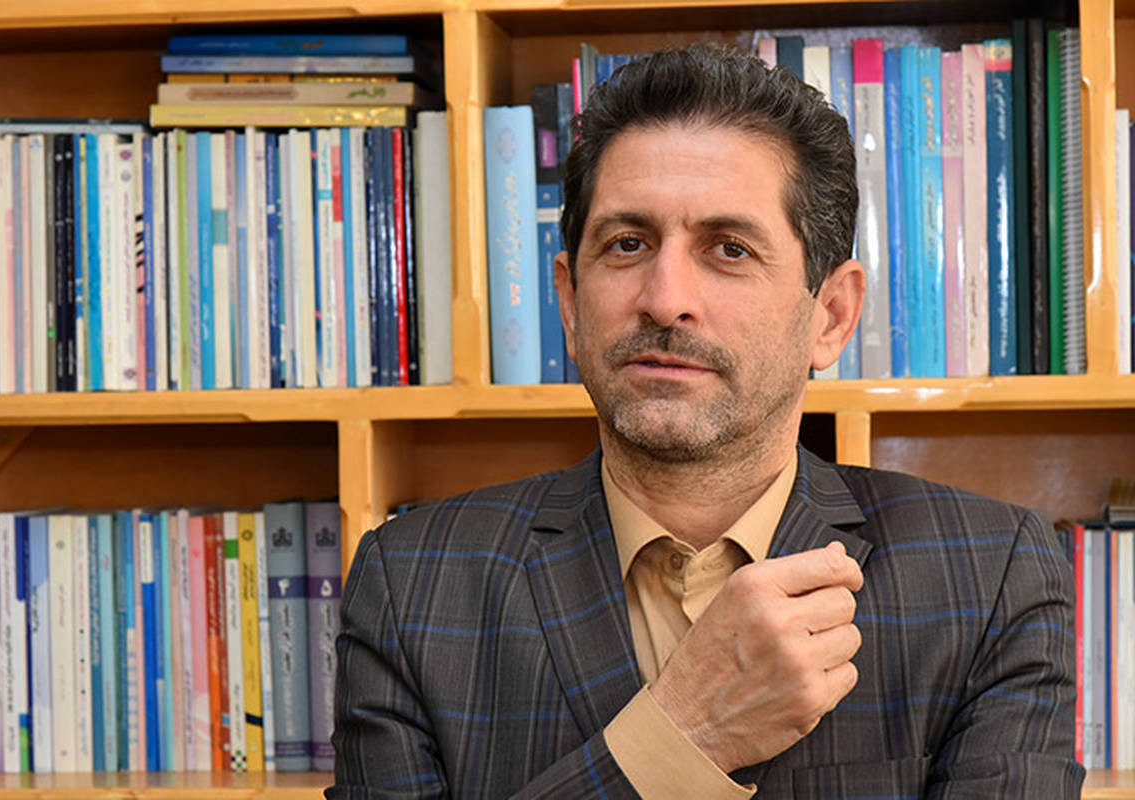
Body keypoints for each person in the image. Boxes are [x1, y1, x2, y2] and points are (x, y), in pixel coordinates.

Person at [327, 43, 1083, 798]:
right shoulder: (411, 584)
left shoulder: (993, 577)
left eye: (729, 249)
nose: (665, 299)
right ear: (569, 302)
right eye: (627, 244)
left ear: (831, 314)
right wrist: (685, 735)